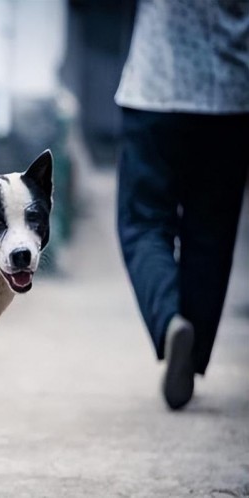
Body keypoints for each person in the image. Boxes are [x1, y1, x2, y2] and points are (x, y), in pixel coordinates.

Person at [115, 0, 249, 410]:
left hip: (156, 87)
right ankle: (189, 359)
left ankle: (170, 321)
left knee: (144, 221)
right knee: (211, 233)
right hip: (231, 96)